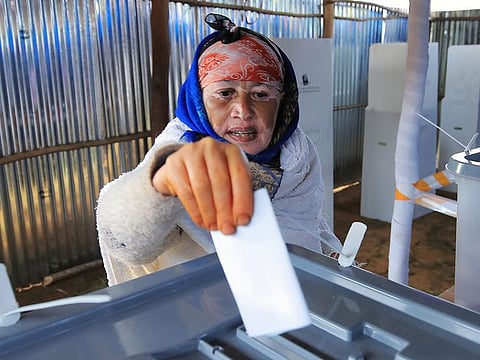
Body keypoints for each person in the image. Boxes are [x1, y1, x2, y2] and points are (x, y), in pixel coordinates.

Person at [96, 13, 342, 285]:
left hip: (288, 301)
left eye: (261, 94)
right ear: (199, 99)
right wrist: (160, 186)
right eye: (224, 93)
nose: (243, 112)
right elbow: (125, 242)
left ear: (282, 103)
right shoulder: (179, 153)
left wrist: (331, 255)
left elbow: (307, 225)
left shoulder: (298, 156)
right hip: (193, 312)